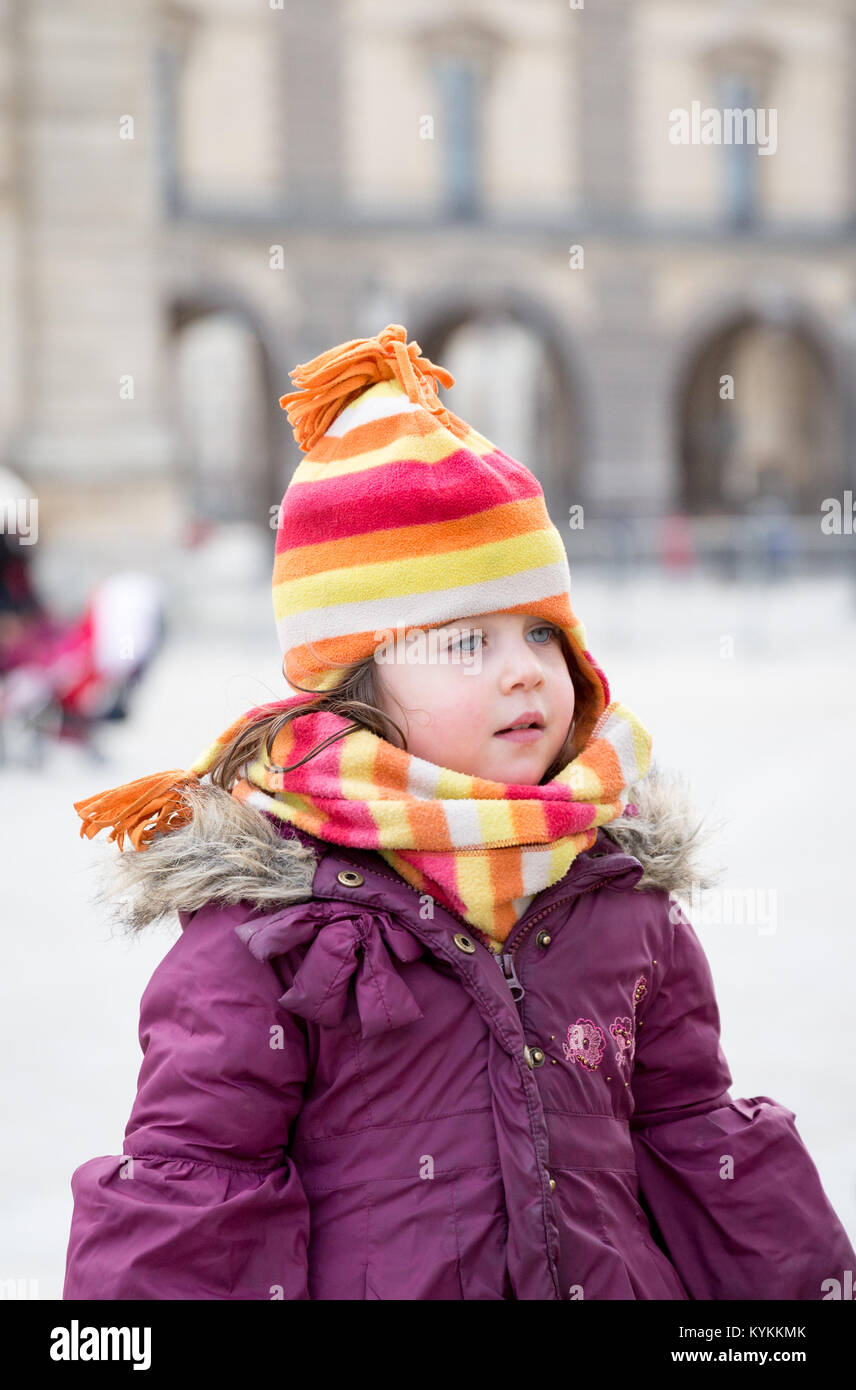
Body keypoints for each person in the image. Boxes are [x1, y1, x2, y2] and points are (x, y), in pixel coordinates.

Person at [62, 324, 855, 1301]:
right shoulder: (268, 930)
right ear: (355, 686)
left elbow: (692, 1133)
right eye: (464, 642)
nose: (525, 668)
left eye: (539, 630)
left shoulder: (614, 889)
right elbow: (199, 1194)